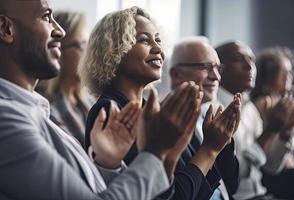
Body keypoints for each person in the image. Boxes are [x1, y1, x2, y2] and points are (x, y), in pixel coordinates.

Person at [0, 1, 201, 199]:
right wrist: (156, 152)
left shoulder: (34, 111)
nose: (59, 31)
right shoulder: (6, 121)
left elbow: (94, 191)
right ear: (6, 29)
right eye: (46, 17)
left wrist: (107, 165)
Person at [81, 7, 241, 200]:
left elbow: (215, 187)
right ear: (115, 50)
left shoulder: (154, 111)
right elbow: (170, 196)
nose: (158, 49)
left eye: (157, 40)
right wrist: (209, 149)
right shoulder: (109, 111)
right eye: (144, 40)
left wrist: (221, 142)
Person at [215, 41, 294, 200]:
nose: (249, 66)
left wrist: (286, 133)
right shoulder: (215, 111)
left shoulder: (250, 109)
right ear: (218, 68)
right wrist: (270, 131)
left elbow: (271, 167)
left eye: (251, 60)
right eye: (238, 59)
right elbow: (232, 176)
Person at [169, 36, 240, 200]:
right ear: (176, 73)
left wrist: (226, 142)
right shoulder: (165, 122)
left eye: (218, 68)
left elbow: (232, 186)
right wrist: (210, 147)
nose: (216, 77)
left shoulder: (210, 116)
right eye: (206, 67)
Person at [251, 47, 294, 199]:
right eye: (284, 73)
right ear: (269, 77)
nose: (289, 77)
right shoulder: (264, 104)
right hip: (271, 175)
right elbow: (265, 152)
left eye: (290, 72)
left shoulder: (286, 102)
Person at [45, 11, 93, 146]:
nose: (90, 53)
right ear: (58, 50)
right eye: (82, 45)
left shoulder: (91, 102)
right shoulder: (47, 110)